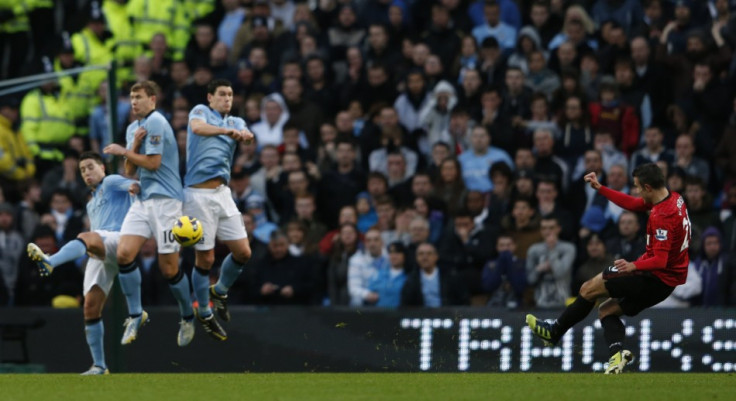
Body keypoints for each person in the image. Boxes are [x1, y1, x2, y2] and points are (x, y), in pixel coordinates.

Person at [526, 163, 691, 374]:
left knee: (588, 289)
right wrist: (601, 188)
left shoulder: (662, 217)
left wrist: (633, 265)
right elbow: (633, 203)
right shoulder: (674, 198)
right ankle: (617, 355)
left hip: (652, 276)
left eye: (639, 187)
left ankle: (553, 332)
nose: (637, 191)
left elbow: (660, 260)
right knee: (606, 311)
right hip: (665, 284)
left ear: (649, 187)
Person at [26, 152, 140, 375]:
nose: (86, 173)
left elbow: (136, 185)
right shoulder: (91, 203)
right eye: (82, 170)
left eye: (90, 167)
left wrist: (134, 188)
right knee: (89, 307)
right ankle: (99, 365)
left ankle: (50, 262)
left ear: (102, 168)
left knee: (86, 236)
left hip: (120, 240)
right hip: (101, 249)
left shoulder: (111, 181)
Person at [103, 80, 195, 347]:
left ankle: (187, 315)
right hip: (143, 199)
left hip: (167, 202)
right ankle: (135, 314)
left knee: (169, 269)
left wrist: (123, 150)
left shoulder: (156, 122)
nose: (134, 102)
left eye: (139, 97)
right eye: (131, 97)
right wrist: (131, 145)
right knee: (123, 253)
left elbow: (153, 164)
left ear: (152, 100)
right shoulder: (134, 127)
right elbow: (130, 172)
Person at [182, 79, 254, 341]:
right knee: (206, 259)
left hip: (223, 194)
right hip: (197, 195)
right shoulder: (200, 112)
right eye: (222, 94)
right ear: (210, 97)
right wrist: (225, 133)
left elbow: (247, 136)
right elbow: (197, 128)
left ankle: (220, 291)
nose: (227, 99)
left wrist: (245, 135)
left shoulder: (236, 121)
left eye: (231, 94)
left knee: (243, 252)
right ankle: (203, 311)